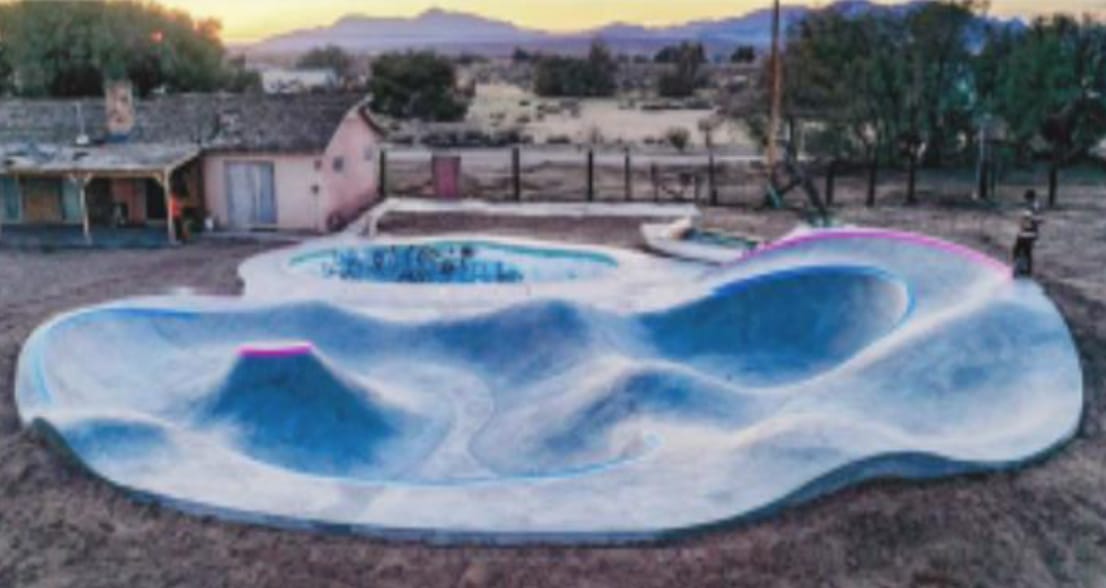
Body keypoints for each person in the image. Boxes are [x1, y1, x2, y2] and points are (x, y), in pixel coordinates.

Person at [1012, 189, 1042, 277]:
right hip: (1027, 232)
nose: (1025, 201)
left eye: (1026, 199)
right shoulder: (1033, 206)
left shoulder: (1033, 207)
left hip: (1028, 233)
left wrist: (1027, 224)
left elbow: (1033, 219)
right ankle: (1025, 269)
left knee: (1019, 249)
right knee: (1026, 251)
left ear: (1030, 198)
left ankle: (1023, 269)